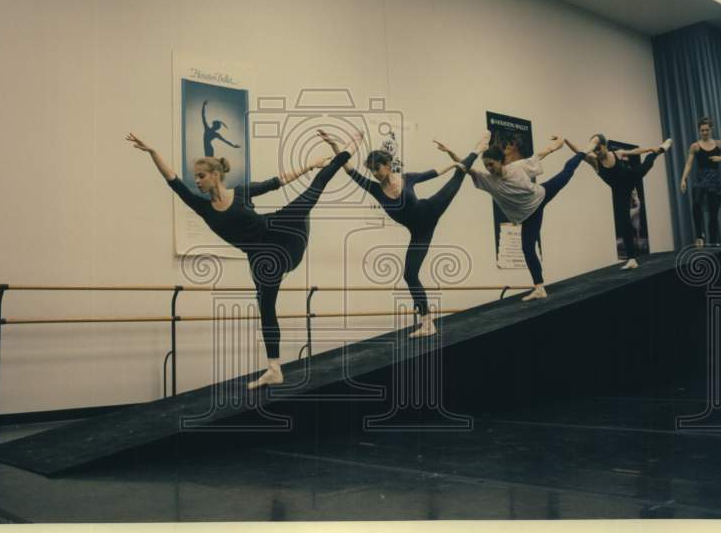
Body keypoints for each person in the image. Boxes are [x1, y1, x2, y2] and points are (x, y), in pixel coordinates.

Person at [127, 130, 355, 389]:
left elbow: (278, 181)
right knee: (266, 308)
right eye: (196, 177)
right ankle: (274, 369)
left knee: (313, 190)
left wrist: (310, 165)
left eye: (201, 176)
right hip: (260, 257)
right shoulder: (203, 207)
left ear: (215, 175)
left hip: (280, 230)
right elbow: (173, 181)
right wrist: (153, 152)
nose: (197, 181)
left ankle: (347, 149)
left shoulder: (242, 192)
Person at [324, 128, 480, 338]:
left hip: (431, 208)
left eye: (377, 168)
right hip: (420, 233)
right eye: (372, 170)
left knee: (458, 177)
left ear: (388, 166)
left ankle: (478, 149)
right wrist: (335, 147)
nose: (375, 173)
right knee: (409, 275)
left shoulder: (407, 178)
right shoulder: (374, 188)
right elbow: (350, 170)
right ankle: (428, 324)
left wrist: (453, 163)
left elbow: (433, 173)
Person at [469, 131, 586, 300]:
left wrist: (560, 143)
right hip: (529, 215)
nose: (488, 168)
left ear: (500, 161)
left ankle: (584, 152)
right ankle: (540, 288)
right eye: (486, 165)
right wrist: (456, 152)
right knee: (527, 248)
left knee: (566, 173)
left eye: (491, 164)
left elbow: (543, 153)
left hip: (541, 196)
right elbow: (466, 168)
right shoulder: (488, 179)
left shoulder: (518, 167)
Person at [570, 134, 672, 270]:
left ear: (605, 146)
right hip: (619, 192)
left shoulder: (616, 154)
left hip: (631, 177)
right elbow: (579, 152)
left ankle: (661, 149)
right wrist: (566, 140)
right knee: (624, 221)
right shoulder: (594, 161)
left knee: (647, 164)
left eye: (598, 148)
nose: (597, 151)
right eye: (594, 149)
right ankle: (632, 259)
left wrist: (649, 149)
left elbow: (634, 151)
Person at [679, 117, 721, 246]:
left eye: (707, 130)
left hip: (715, 181)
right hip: (701, 180)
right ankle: (699, 235)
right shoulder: (695, 146)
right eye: (702, 130)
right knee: (696, 205)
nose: (705, 132)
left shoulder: (718, 144)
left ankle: (713, 242)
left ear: (711, 129)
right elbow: (689, 164)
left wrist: (720, 158)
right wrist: (683, 179)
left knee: (713, 214)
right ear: (699, 131)